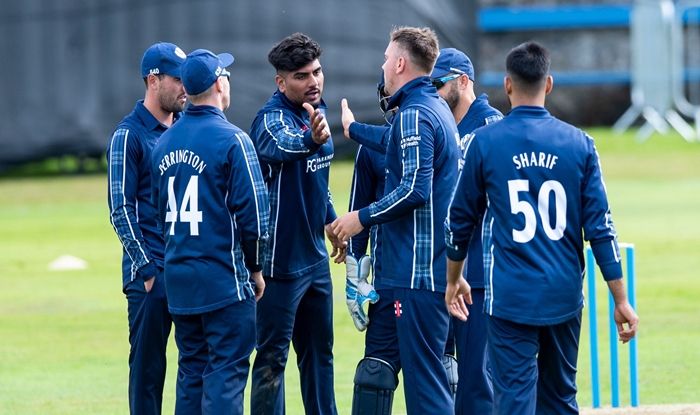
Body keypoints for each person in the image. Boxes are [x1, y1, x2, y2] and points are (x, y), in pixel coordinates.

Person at [444, 41, 639, 415]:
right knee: (560, 399)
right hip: (564, 295)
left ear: (507, 85)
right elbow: (601, 229)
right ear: (548, 84)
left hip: (510, 297)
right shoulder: (580, 144)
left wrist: (454, 279)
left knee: (514, 400)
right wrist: (621, 299)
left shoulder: (484, 142)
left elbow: (459, 221)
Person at [332, 26, 460, 415]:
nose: (383, 65)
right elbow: (391, 143)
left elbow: (414, 190)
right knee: (375, 376)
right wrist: (352, 130)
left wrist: (360, 218)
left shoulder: (416, 113)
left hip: (417, 279)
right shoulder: (430, 108)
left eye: (387, 58)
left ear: (401, 63)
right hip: (401, 278)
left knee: (428, 392)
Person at [151, 48, 269, 415]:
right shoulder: (234, 140)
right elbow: (255, 218)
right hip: (223, 282)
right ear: (220, 84)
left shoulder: (163, 143)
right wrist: (256, 268)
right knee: (225, 376)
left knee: (191, 374)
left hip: (180, 282)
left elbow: (158, 212)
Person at [249, 32, 344, 415]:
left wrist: (333, 222)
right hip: (279, 267)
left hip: (315, 262)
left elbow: (316, 179)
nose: (313, 81)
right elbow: (285, 145)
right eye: (301, 76)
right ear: (281, 81)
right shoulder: (269, 120)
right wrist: (312, 140)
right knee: (272, 361)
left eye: (316, 72)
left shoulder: (314, 114)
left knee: (320, 356)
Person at [106, 41, 186, 415]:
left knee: (196, 369)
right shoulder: (129, 135)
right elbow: (120, 209)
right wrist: (148, 270)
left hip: (188, 268)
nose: (185, 87)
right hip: (150, 276)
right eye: (177, 79)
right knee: (148, 375)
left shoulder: (186, 128)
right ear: (154, 80)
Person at [430, 47, 503, 414]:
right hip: (444, 273)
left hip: (479, 278)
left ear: (462, 81)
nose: (432, 93)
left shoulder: (491, 126)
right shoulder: (442, 126)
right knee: (444, 379)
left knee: (477, 382)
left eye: (438, 85)